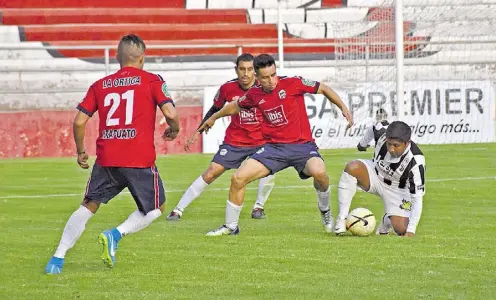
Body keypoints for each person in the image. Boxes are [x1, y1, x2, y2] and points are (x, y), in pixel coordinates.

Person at [45, 34, 180, 274]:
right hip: (138, 159)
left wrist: (81, 152)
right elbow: (170, 112)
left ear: (118, 57)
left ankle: (57, 259)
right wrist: (175, 129)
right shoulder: (152, 80)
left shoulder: (100, 85)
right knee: (156, 209)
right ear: (142, 58)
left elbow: (78, 121)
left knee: (88, 206)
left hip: (107, 157)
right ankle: (115, 234)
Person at [199, 54, 354, 236]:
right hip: (274, 149)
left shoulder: (293, 83)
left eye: (273, 75)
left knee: (320, 173)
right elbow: (235, 106)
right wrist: (213, 117)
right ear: (257, 78)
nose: (271, 80)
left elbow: (324, 88)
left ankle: (325, 212)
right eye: (265, 77)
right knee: (237, 179)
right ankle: (230, 226)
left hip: (302, 146)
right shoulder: (254, 94)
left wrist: (343, 107)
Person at [166, 53, 275, 221]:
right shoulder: (227, 89)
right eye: (242, 69)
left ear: (255, 71)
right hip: (235, 141)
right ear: (236, 70)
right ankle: (178, 210)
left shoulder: (265, 87)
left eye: (249, 69)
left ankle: (258, 207)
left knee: (269, 169)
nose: (245, 73)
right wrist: (198, 131)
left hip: (262, 140)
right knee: (211, 172)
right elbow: (214, 109)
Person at [334, 121, 426, 237]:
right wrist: (362, 144)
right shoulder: (382, 131)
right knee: (352, 167)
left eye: (396, 145)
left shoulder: (416, 162)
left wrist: (411, 230)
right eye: (389, 144)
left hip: (396, 190)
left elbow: (417, 199)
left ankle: (387, 219)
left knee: (403, 229)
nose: (391, 149)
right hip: (374, 175)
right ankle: (342, 219)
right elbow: (373, 127)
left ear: (407, 144)